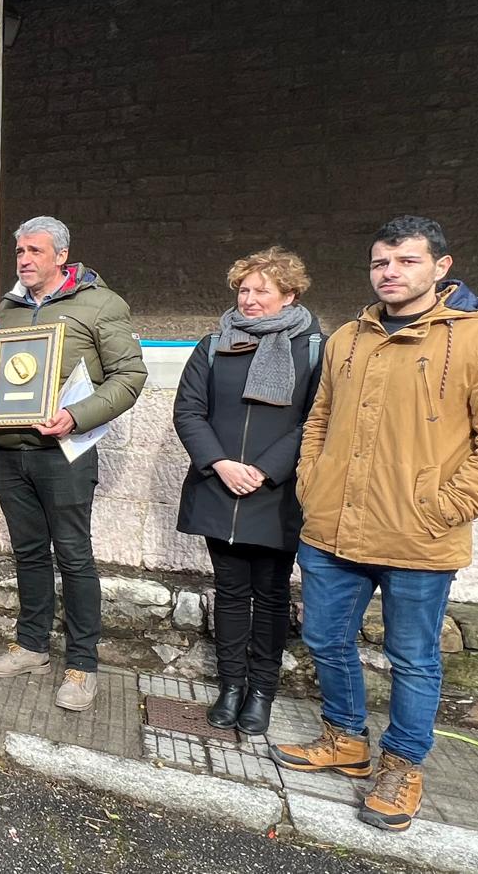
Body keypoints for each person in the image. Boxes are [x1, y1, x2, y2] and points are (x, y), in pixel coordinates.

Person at [270, 216, 478, 832]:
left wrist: (444, 508)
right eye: (380, 263)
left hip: (419, 535)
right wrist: (312, 483)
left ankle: (403, 764)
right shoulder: (347, 339)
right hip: (333, 527)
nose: (390, 273)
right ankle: (346, 740)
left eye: (406, 261)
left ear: (441, 267)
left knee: (412, 658)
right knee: (324, 639)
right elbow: (319, 420)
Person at [0, 216, 147, 711]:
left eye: (34, 251)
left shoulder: (101, 304)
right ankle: (31, 647)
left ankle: (82, 665)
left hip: (65, 453)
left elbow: (129, 377)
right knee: (28, 553)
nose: (24, 260)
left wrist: (76, 415)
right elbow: (13, 378)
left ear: (61, 257)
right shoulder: (9, 309)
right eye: (19, 252)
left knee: (73, 556)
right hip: (10, 452)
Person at [173, 248, 322, 735]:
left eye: (263, 291)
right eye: (244, 290)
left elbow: (315, 419)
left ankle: (262, 692)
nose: (250, 299)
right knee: (231, 593)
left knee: (273, 595)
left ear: (290, 295)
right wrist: (220, 463)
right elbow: (189, 410)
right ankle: (230, 685)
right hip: (220, 487)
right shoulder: (214, 343)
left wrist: (263, 470)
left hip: (276, 493)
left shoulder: (314, 348)